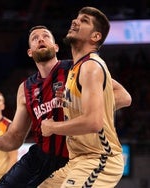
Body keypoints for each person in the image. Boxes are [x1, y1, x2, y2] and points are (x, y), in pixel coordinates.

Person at [0, 25, 131, 188]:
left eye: (45, 36)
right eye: (34, 38)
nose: (40, 39)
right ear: (30, 52)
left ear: (56, 47)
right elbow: (16, 136)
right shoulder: (25, 88)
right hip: (40, 156)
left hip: (74, 157)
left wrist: (80, 104)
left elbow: (123, 96)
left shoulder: (79, 69)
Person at [41, 7, 132, 187]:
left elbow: (93, 123)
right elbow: (125, 96)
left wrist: (52, 127)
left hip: (101, 159)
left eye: (84, 21)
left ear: (95, 36)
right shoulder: (78, 67)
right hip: (78, 160)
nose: (75, 21)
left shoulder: (91, 67)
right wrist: (78, 102)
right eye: (76, 18)